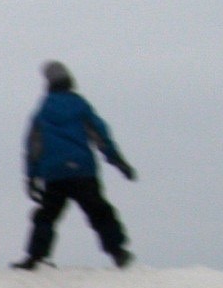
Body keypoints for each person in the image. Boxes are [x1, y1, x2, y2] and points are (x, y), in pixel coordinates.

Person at [16, 60, 136, 270]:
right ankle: (118, 252)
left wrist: (32, 177)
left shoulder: (43, 110)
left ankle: (35, 258)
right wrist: (118, 162)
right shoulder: (80, 106)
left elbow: (33, 146)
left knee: (46, 216)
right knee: (100, 212)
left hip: (55, 173)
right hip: (83, 171)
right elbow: (100, 135)